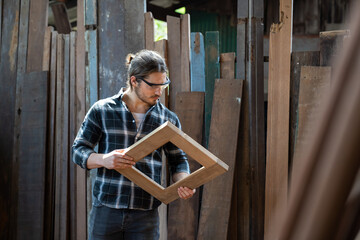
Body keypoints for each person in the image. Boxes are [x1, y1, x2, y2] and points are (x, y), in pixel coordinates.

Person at [72, 49, 195, 240]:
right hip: (106, 209)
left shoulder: (168, 119)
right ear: (134, 81)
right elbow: (78, 151)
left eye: (163, 84)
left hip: (145, 213)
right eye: (153, 85)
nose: (159, 91)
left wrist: (183, 182)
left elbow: (178, 159)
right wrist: (104, 159)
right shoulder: (102, 110)